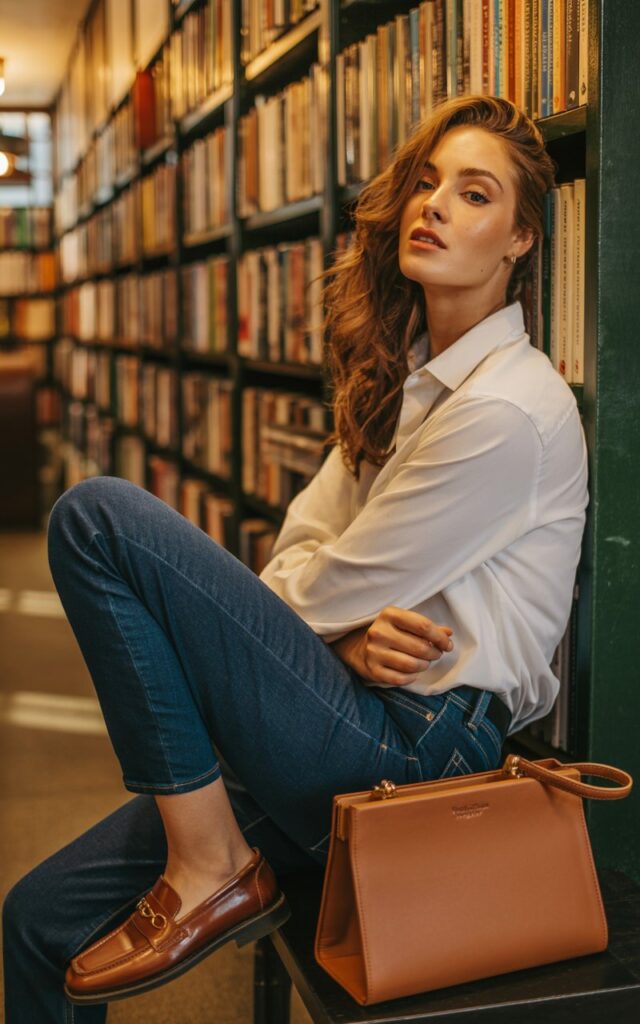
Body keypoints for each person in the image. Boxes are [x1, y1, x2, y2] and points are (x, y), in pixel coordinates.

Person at [2, 93, 588, 1022]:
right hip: (342, 707)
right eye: (427, 183)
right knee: (36, 919)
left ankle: (211, 865)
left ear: (520, 241)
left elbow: (323, 590)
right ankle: (213, 860)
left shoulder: (506, 409)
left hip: (423, 749)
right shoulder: (412, 382)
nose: (434, 204)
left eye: (474, 195)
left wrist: (327, 621)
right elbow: (298, 566)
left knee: (97, 520)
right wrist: (346, 643)